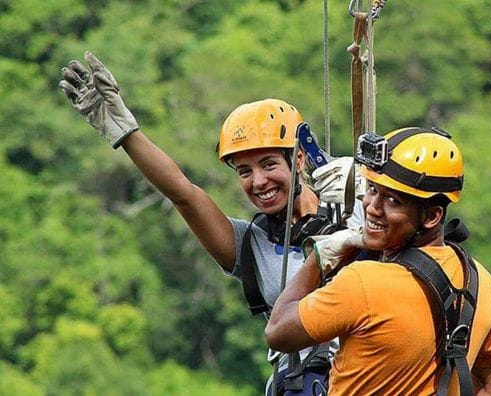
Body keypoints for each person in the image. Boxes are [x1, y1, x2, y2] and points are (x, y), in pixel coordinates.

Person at [59, 51, 364, 395]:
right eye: (244, 171)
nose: (258, 181)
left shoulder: (351, 201)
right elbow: (185, 196)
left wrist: (365, 188)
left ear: (300, 159)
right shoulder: (252, 244)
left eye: (268, 164)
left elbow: (416, 230)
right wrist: (127, 134)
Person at [265, 127, 491, 395]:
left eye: (392, 200)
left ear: (431, 216)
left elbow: (278, 332)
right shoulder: (478, 280)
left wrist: (320, 255)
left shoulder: (363, 283)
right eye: (372, 189)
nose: (371, 207)